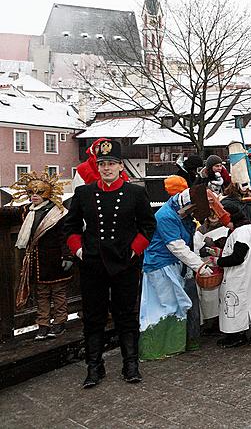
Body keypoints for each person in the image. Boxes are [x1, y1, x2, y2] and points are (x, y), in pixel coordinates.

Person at [64, 139, 156, 388]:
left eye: (111, 164)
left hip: (125, 263)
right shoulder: (84, 193)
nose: (107, 168)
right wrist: (79, 250)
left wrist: (135, 251)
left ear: (120, 166)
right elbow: (71, 226)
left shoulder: (135, 193)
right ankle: (94, 367)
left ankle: (131, 365)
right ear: (98, 166)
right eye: (102, 163)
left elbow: (148, 226)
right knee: (93, 317)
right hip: (93, 264)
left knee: (126, 315)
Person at [139, 185, 230, 360]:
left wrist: (204, 255)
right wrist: (200, 267)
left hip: (175, 266)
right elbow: (177, 247)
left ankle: (178, 344)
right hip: (160, 268)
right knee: (164, 307)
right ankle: (157, 348)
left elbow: (188, 243)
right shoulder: (166, 216)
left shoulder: (183, 214)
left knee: (179, 306)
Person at [1, 171, 72, 340]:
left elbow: (66, 236)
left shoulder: (59, 213)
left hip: (56, 260)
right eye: (31, 193)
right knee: (41, 294)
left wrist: (68, 256)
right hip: (36, 261)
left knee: (58, 294)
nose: (34, 196)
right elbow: (7, 213)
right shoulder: (27, 211)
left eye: (39, 193)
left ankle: (60, 322)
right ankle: (43, 324)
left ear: (48, 193)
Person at [215, 202, 251, 348]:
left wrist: (218, 261)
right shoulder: (248, 230)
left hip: (238, 277)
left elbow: (238, 257)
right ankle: (237, 333)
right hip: (243, 275)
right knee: (240, 305)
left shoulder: (242, 232)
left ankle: (237, 335)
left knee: (235, 306)